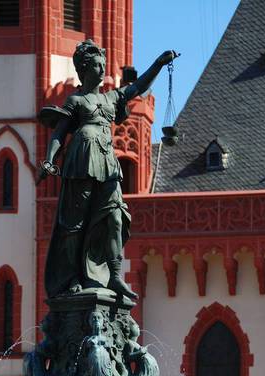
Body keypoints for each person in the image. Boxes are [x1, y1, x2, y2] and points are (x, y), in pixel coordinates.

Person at [37, 39, 178, 300]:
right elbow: (59, 133)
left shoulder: (111, 99)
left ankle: (114, 277)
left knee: (115, 217)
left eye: (103, 65)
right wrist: (49, 161)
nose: (102, 71)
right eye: (96, 66)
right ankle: (71, 279)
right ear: (84, 70)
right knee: (74, 225)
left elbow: (137, 87)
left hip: (107, 163)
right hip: (81, 162)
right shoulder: (76, 101)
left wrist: (158, 64)